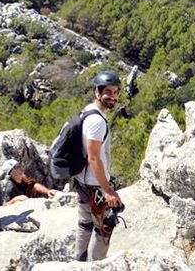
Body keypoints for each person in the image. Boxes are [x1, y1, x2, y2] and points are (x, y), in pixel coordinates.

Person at [73, 69, 123, 261]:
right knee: (104, 227)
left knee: (85, 223)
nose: (113, 96)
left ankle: (79, 262)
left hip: (82, 181)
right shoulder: (97, 121)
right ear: (97, 92)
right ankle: (95, 266)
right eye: (108, 92)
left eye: (116, 92)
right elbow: (94, 158)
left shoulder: (87, 111)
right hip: (95, 184)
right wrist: (108, 190)